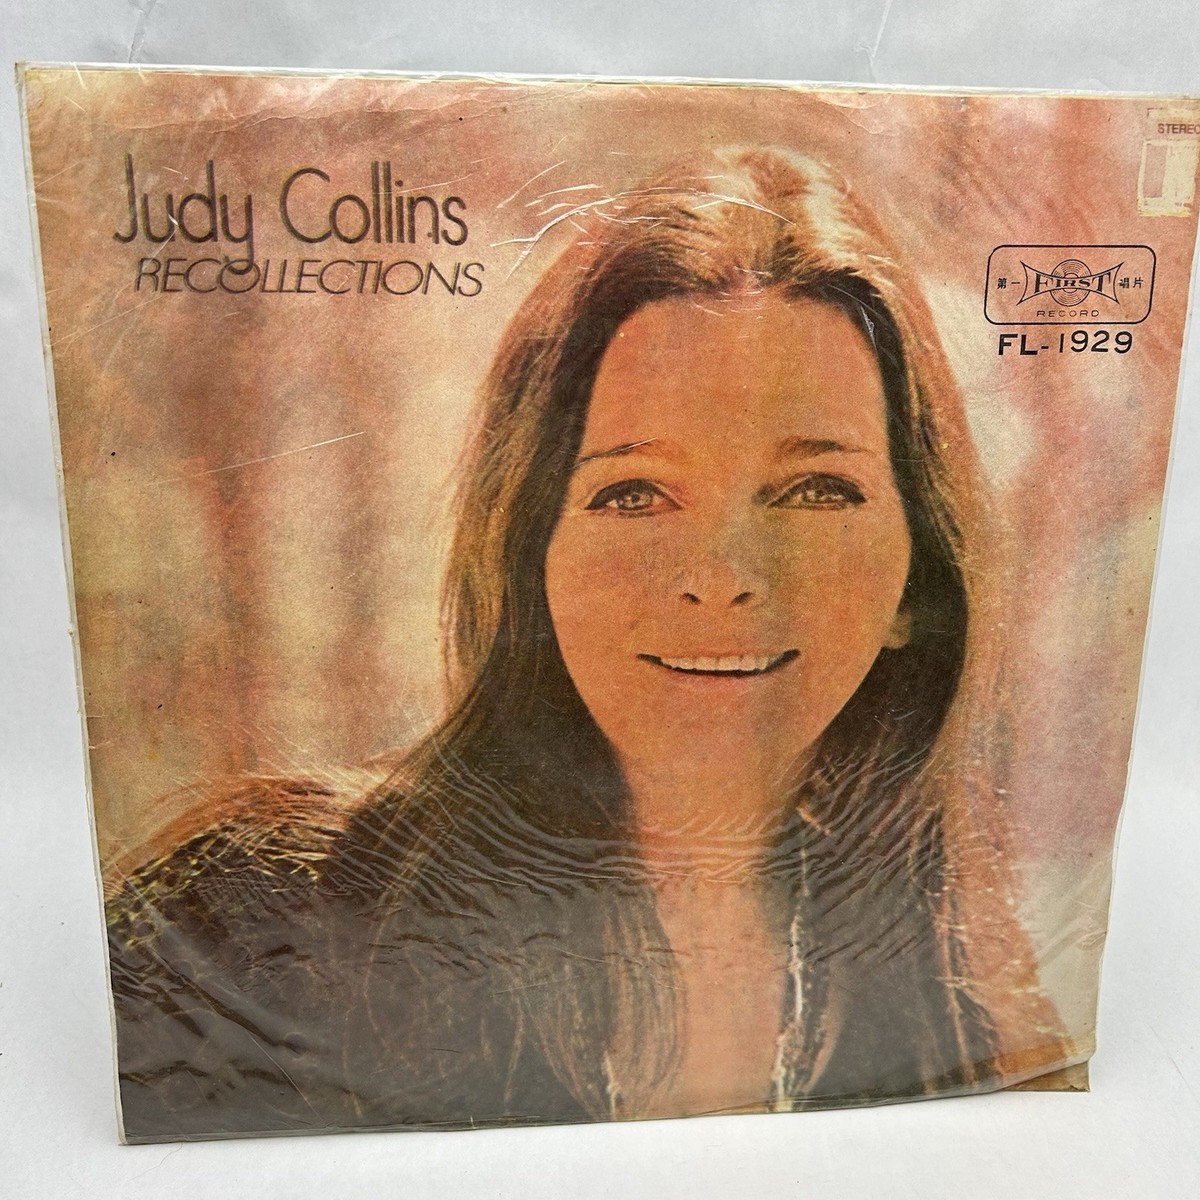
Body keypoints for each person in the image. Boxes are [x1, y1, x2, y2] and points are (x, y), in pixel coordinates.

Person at [106, 147, 1073, 1143]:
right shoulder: (242, 930)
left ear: (918, 581)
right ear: (531, 557)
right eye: (634, 493)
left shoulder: (970, 1007)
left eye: (815, 491)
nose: (721, 575)